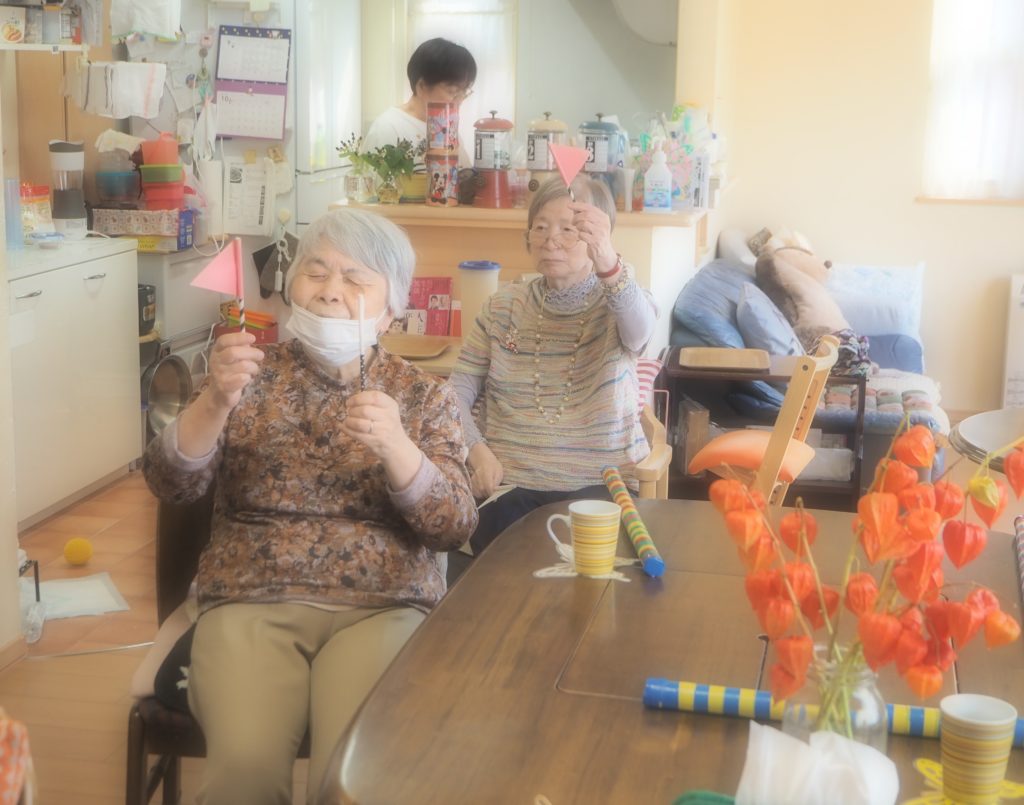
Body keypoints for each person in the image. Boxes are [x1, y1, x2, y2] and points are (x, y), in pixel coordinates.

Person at [143, 208, 477, 805]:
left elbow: (453, 526)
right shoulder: (244, 375)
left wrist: (398, 449)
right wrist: (214, 402)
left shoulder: (424, 396)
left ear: (391, 310)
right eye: (316, 272)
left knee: (352, 779)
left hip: (385, 606)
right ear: (291, 287)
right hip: (251, 599)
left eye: (356, 278)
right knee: (244, 774)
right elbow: (170, 485)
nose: (330, 290)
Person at [449, 176, 658, 571]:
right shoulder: (503, 306)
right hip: (509, 485)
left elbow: (640, 332)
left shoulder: (621, 298)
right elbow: (456, 391)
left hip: (602, 482)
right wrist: (477, 452)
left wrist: (608, 262)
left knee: (584, 568)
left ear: (597, 236)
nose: (551, 240)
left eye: (569, 228)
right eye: (541, 227)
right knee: (504, 572)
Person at [361, 37, 477, 163]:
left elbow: (465, 172)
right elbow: (372, 176)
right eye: (453, 91)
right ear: (422, 86)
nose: (459, 101)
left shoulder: (447, 128)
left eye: (464, 92)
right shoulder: (388, 128)